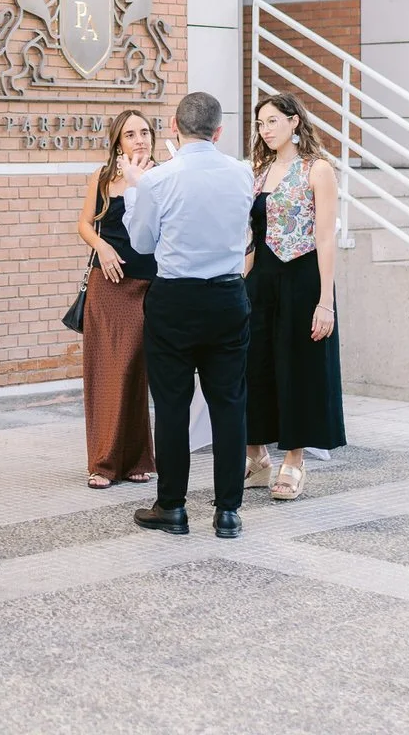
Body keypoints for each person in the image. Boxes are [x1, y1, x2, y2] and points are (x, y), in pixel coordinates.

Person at [120, 91, 254, 541]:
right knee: (230, 405)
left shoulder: (159, 180)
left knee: (173, 406)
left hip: (175, 300)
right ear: (219, 132)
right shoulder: (242, 173)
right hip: (228, 296)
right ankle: (229, 512)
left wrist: (137, 190)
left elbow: (141, 244)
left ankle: (172, 506)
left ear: (174, 128)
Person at [245, 93, 346, 502]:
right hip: (261, 280)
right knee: (253, 366)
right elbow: (252, 236)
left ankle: (293, 461)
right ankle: (255, 456)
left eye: (271, 121)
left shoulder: (317, 169)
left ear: (294, 122)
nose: (265, 130)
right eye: (260, 124)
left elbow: (325, 237)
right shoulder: (259, 171)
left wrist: (325, 301)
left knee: (297, 369)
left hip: (303, 280)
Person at [75, 108, 157, 489]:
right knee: (107, 371)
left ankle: (139, 458)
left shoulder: (162, 175)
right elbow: (83, 224)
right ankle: (104, 462)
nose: (139, 139)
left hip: (148, 284)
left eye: (144, 132)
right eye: (130, 134)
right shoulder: (103, 177)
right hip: (107, 286)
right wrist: (102, 247)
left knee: (135, 370)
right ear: (117, 142)